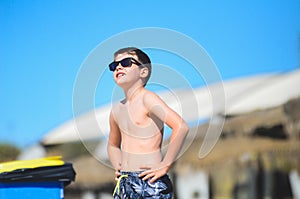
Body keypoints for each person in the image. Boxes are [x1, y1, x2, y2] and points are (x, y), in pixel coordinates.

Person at [107, 47, 189, 198]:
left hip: (150, 180)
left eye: (125, 63)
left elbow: (180, 126)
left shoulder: (147, 99)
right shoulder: (117, 109)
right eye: (113, 66)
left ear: (143, 72)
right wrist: (118, 165)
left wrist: (166, 164)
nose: (118, 67)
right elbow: (112, 144)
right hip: (125, 182)